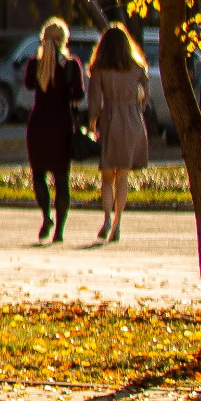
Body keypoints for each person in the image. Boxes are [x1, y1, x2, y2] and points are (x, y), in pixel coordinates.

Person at [24, 18, 86, 244]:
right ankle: (59, 230)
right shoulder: (71, 65)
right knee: (62, 180)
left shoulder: (35, 64)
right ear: (64, 40)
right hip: (61, 127)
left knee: (38, 175)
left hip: (38, 126)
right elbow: (78, 95)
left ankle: (46, 217)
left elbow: (29, 84)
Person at [89, 23, 150, 245]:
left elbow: (95, 100)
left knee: (107, 175)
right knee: (122, 175)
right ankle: (118, 222)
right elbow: (144, 97)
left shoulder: (99, 68)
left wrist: (92, 122)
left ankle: (106, 218)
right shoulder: (137, 68)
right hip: (133, 121)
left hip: (110, 120)